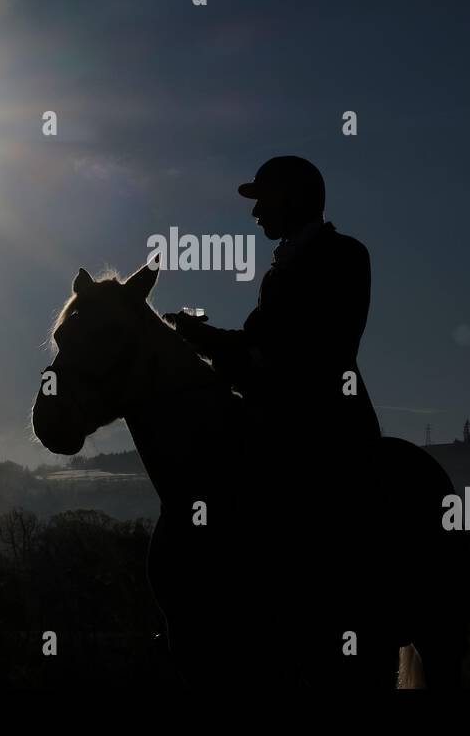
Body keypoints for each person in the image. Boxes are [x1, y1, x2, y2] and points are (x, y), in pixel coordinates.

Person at [164, 155, 383, 684]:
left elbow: (321, 350)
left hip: (324, 425)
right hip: (272, 414)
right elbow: (258, 345)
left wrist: (233, 352)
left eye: (264, 200)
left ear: (293, 199)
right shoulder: (281, 266)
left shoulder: (344, 255)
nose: (256, 213)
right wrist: (203, 338)